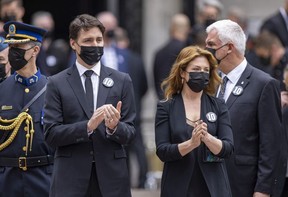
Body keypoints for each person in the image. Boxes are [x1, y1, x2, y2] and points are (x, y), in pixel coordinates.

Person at [43, 14, 136, 197]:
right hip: (70, 179)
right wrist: (87, 127)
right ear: (73, 44)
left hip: (112, 180)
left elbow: (131, 133)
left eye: (99, 39)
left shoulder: (121, 80)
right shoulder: (56, 83)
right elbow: (51, 134)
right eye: (88, 40)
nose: (94, 45)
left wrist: (114, 127)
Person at [205, 19, 283, 197]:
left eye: (211, 44)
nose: (205, 50)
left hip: (243, 183)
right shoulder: (209, 81)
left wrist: (263, 189)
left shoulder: (264, 84)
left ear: (229, 47)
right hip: (209, 180)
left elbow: (271, 144)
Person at [155, 46, 234, 197]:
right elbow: (163, 151)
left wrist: (207, 138)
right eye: (196, 69)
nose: (202, 74)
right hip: (178, 186)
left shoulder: (218, 105)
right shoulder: (166, 107)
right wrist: (191, 143)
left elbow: (228, 148)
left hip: (213, 187)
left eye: (206, 70)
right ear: (183, 72)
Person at [0, 21, 53, 197]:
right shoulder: (2, 89)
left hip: (43, 179)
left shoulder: (54, 89)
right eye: (11, 46)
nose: (13, 52)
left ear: (35, 51)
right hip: (7, 181)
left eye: (18, 47)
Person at [97, 12, 149, 188]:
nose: (110, 29)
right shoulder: (91, 55)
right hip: (99, 112)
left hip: (126, 110)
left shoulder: (128, 55)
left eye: (112, 25)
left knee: (135, 146)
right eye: (106, 25)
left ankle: (141, 182)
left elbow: (142, 86)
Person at [153, 13, 190, 99]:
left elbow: (156, 83)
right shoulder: (186, 51)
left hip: (163, 101)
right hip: (180, 102)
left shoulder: (159, 52)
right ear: (187, 29)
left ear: (172, 28)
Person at [31, 11, 70, 76]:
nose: (47, 30)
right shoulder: (29, 49)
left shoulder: (60, 48)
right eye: (43, 26)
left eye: (48, 26)